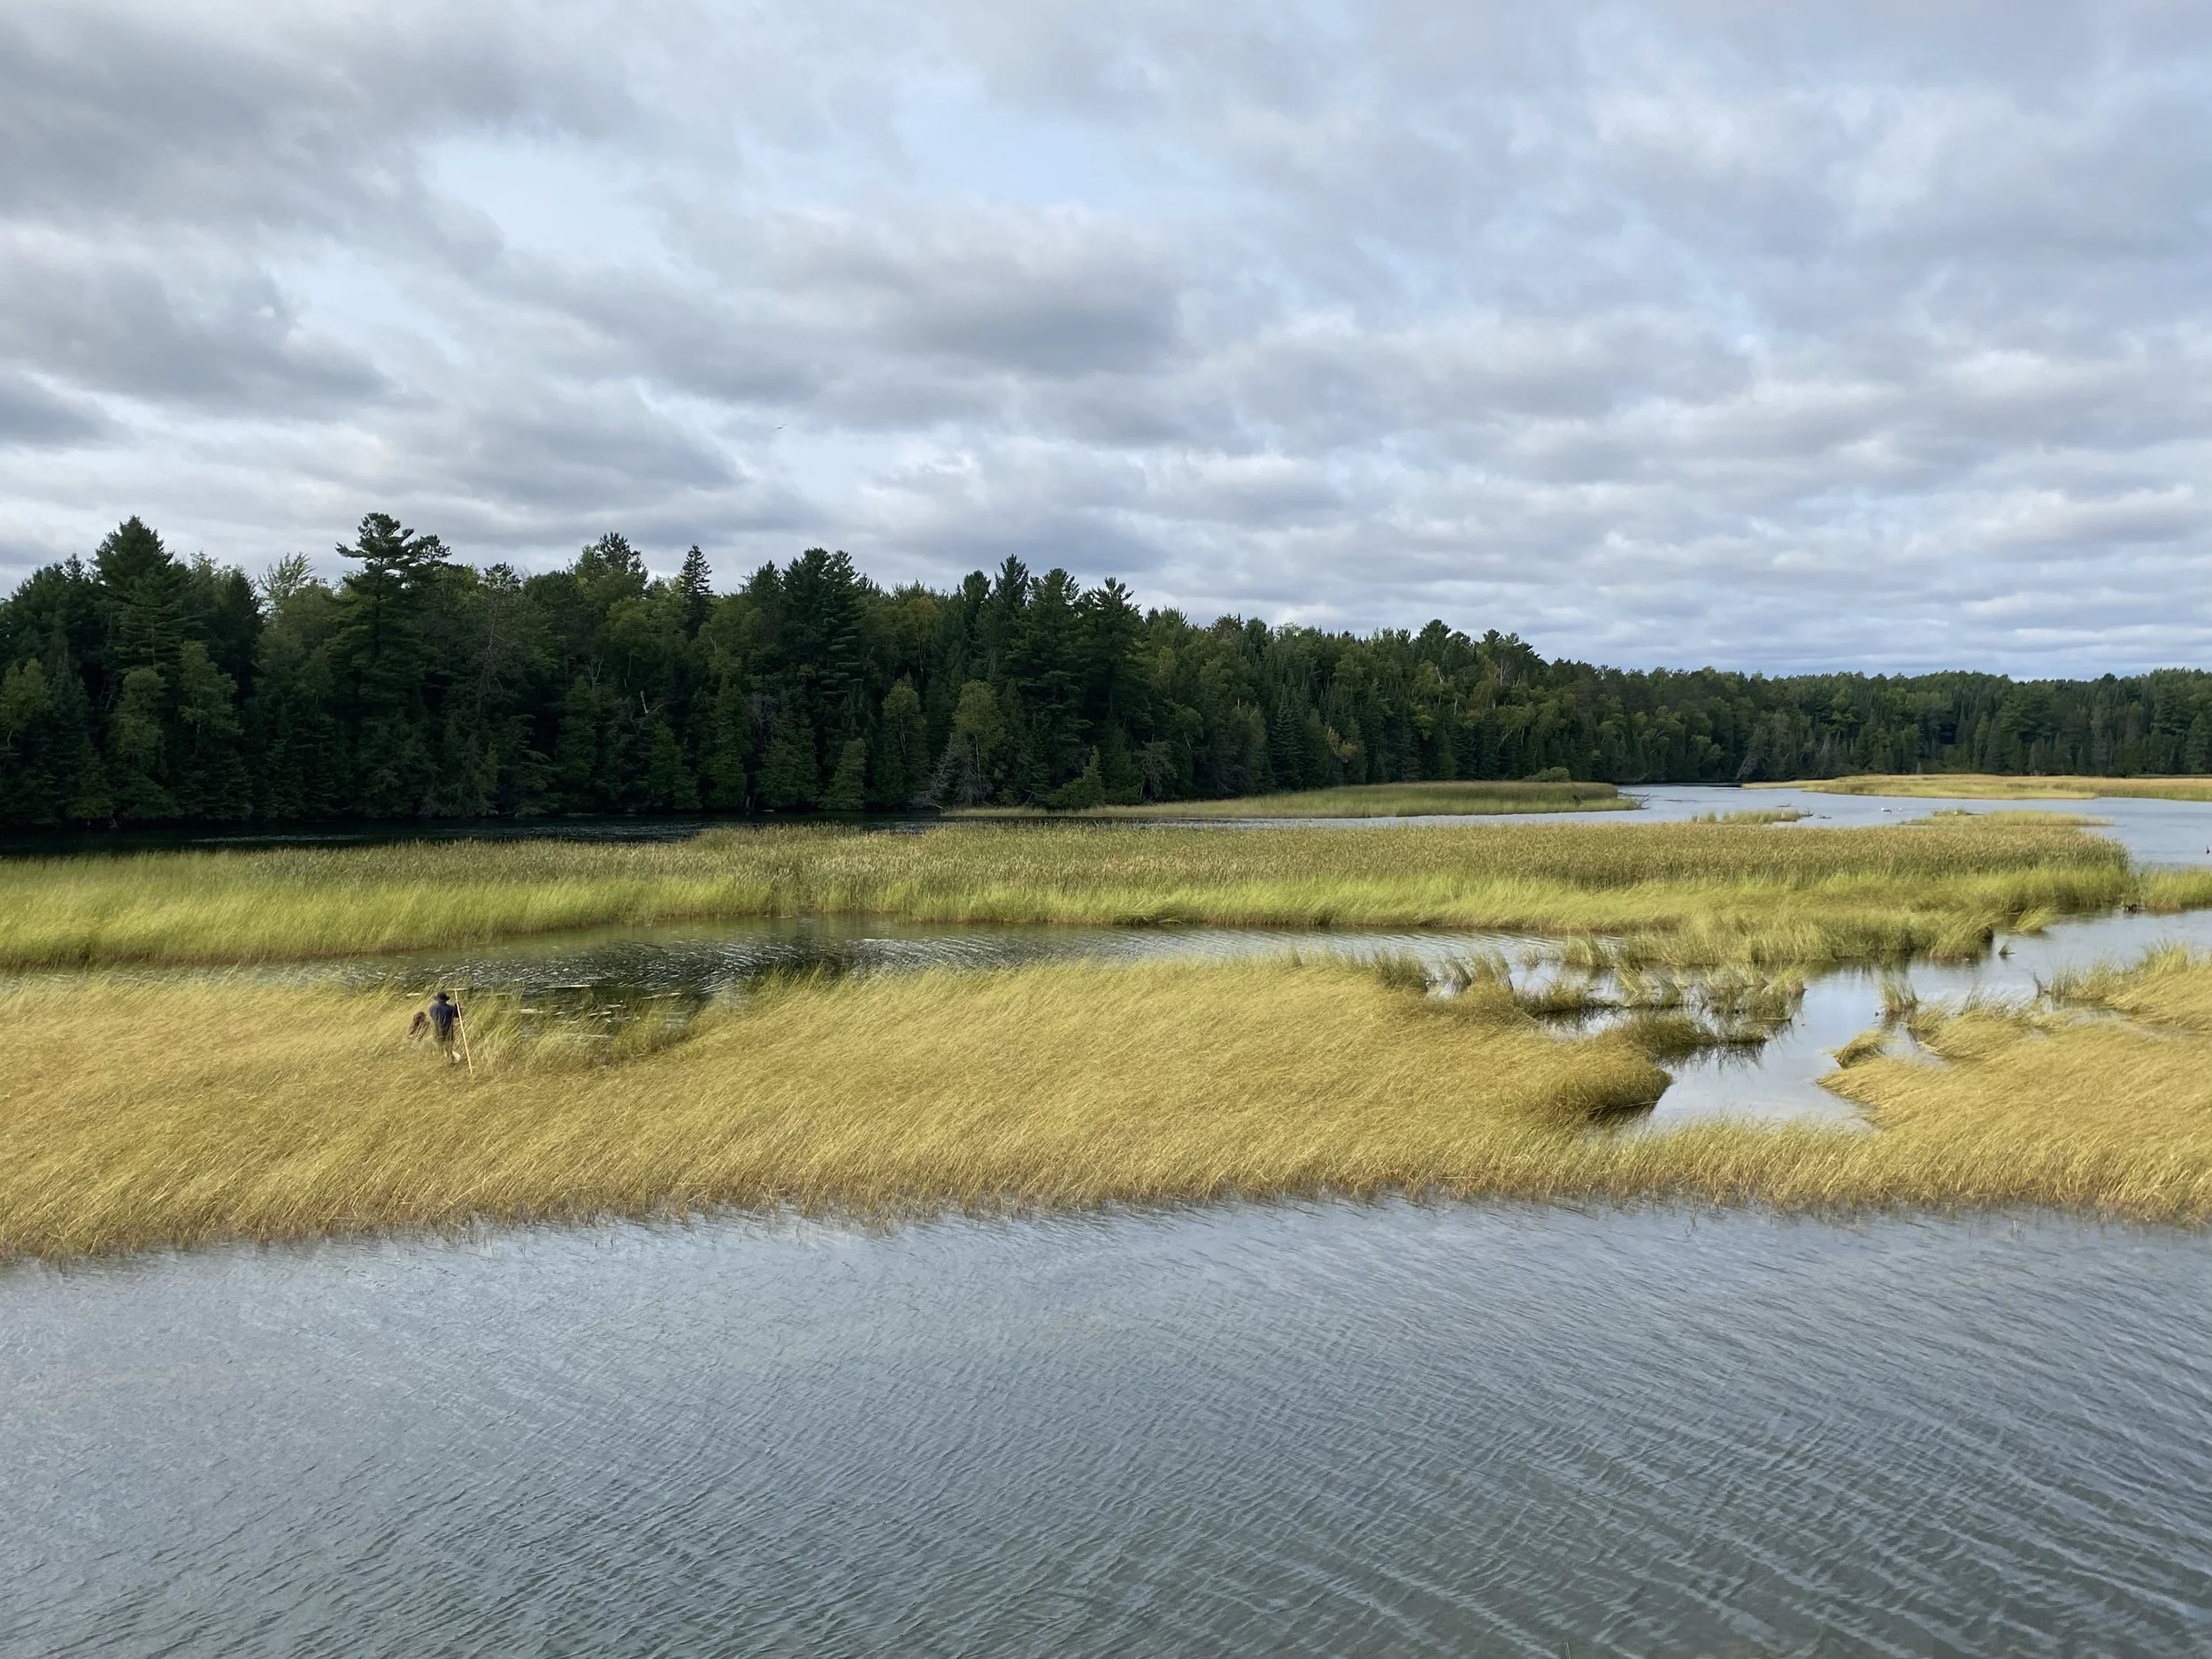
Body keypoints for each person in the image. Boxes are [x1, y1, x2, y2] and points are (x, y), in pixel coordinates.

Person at [411, 991, 465, 1064]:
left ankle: (446, 1061)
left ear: (437, 1000)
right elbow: (459, 1016)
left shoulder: (432, 1008)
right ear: (445, 1000)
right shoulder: (451, 1008)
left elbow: (432, 1016)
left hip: (437, 1032)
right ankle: (452, 1061)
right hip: (449, 1032)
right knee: (448, 1049)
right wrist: (457, 1007)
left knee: (441, 1049)